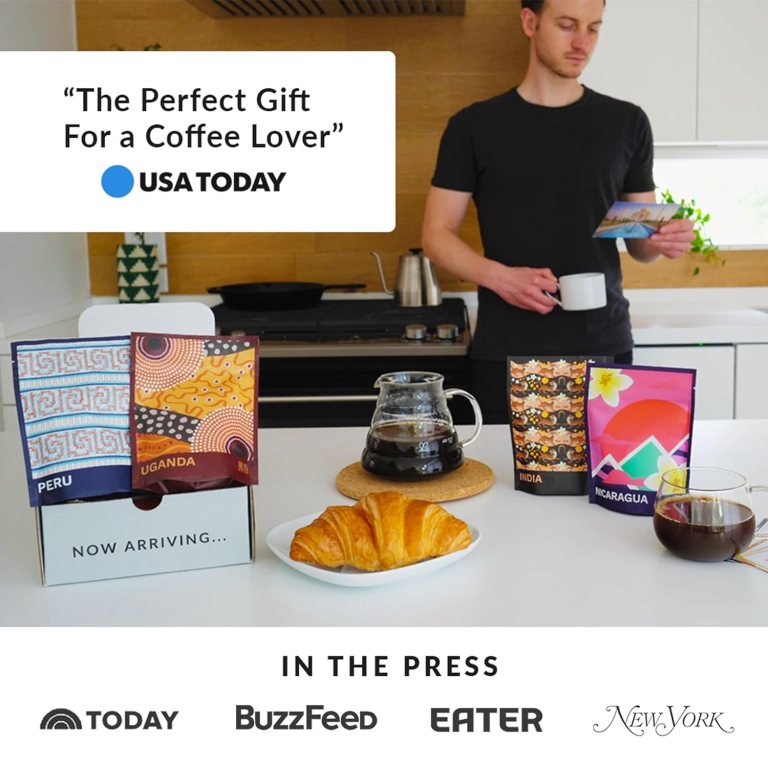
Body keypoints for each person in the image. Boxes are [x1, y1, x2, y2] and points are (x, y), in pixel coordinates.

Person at [421, 0, 694, 423]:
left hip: (603, 347)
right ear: (530, 22)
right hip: (507, 350)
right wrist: (500, 278)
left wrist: (662, 238)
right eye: (567, 25)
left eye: (593, 28)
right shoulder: (473, 126)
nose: (582, 42)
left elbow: (640, 242)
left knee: (602, 467)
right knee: (503, 467)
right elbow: (436, 235)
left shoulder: (627, 122)